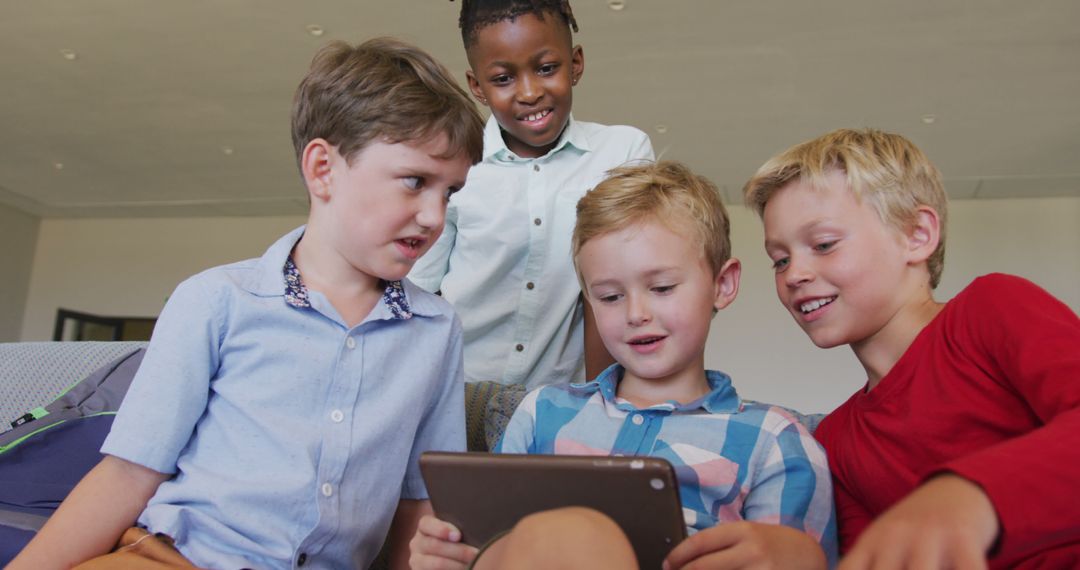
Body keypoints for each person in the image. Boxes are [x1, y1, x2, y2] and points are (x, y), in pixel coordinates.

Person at [8, 37, 485, 569]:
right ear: (323, 168)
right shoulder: (216, 301)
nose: (434, 215)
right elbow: (128, 474)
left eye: (449, 192)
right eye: (415, 181)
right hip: (173, 557)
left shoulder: (437, 329)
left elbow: (417, 501)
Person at [411, 161, 837, 570]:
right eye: (611, 297)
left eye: (662, 287)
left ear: (722, 285)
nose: (636, 313)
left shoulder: (774, 440)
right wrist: (452, 555)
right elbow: (490, 541)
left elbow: (792, 556)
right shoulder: (540, 414)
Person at [743, 128, 1080, 569]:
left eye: (823, 245)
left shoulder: (991, 309)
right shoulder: (836, 441)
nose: (795, 274)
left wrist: (967, 495)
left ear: (917, 235)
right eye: (780, 258)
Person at [409, 0, 655, 390]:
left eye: (546, 68)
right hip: (454, 393)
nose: (529, 92)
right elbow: (416, 291)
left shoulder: (622, 151)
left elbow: (615, 288)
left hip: (559, 403)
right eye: (503, 79)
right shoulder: (454, 166)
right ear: (477, 87)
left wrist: (598, 407)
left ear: (575, 63)